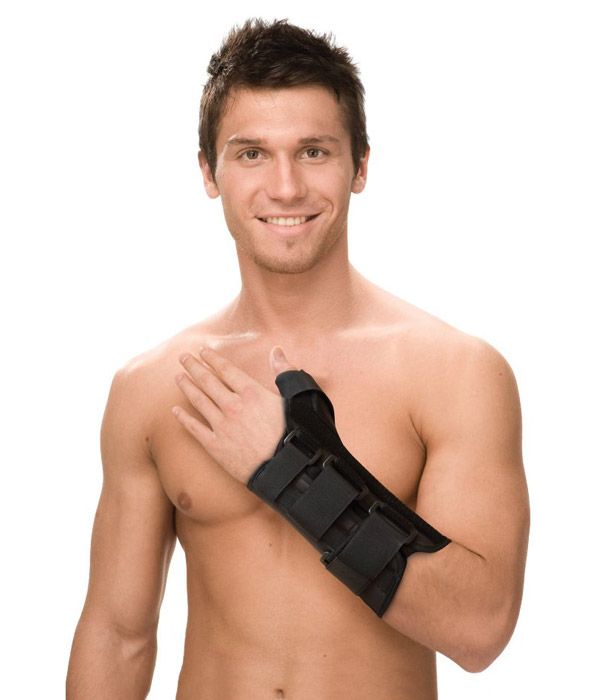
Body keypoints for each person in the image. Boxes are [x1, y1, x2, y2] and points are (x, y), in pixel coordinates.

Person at [66, 18, 529, 700]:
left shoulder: (454, 374)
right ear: (209, 172)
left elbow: (479, 628)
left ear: (360, 165)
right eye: (252, 153)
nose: (285, 188)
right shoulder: (153, 387)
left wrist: (289, 467)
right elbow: (117, 634)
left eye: (314, 152)